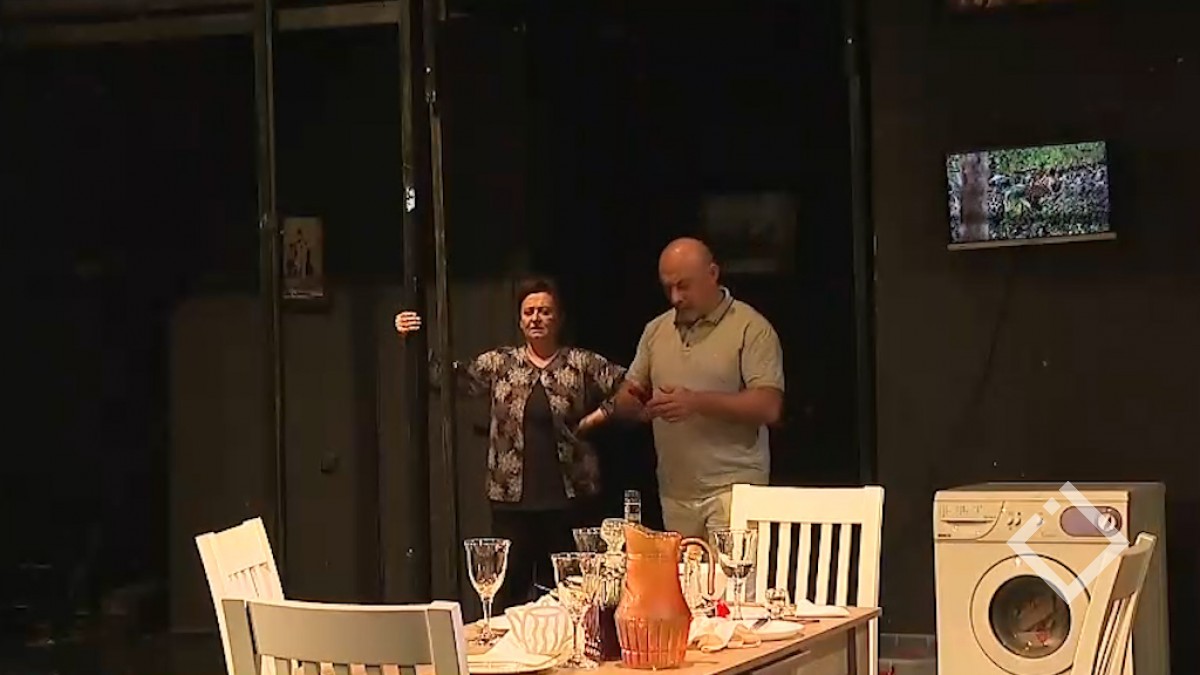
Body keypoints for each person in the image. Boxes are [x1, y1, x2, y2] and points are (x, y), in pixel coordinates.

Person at [395, 277, 625, 609]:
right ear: (519, 320)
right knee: (509, 590)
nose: (536, 318)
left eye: (544, 311)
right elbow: (444, 378)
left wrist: (599, 416)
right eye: (529, 312)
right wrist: (411, 338)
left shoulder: (580, 363)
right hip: (511, 500)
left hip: (569, 497)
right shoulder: (501, 363)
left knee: (569, 590)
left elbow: (631, 385)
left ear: (559, 318)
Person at [613, 237, 784, 540]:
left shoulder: (751, 327)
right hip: (676, 492)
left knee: (731, 572)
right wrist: (635, 405)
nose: (675, 297)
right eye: (668, 288)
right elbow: (628, 393)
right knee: (685, 573)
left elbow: (768, 406)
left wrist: (695, 402)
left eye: (684, 286)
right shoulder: (656, 330)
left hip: (734, 489)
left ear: (713, 274)